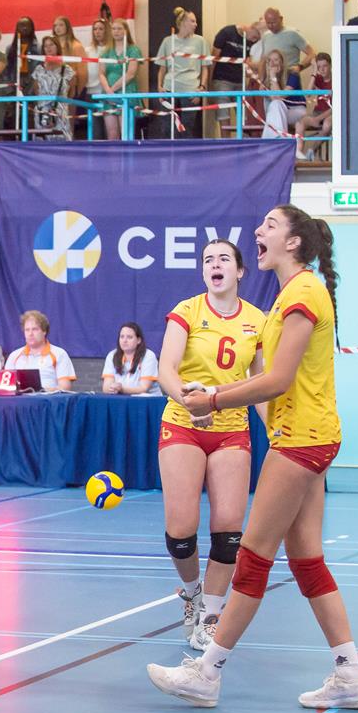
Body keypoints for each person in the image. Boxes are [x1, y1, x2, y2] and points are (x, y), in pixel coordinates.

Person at [149, 204, 358, 712]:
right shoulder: (289, 295)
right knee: (307, 560)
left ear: (293, 242)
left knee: (251, 558)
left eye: (270, 225)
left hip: (300, 439)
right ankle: (351, 674)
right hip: (307, 435)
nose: (259, 230)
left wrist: (212, 399)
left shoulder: (302, 293)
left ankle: (206, 673)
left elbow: (276, 380)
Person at [156, 239, 266, 650]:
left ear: (239, 271)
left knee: (229, 533)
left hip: (232, 429)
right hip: (184, 423)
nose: (214, 265)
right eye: (207, 260)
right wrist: (189, 401)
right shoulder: (187, 311)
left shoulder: (257, 320)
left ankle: (211, 617)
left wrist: (277, 429)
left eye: (223, 259)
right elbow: (166, 370)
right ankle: (192, 593)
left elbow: (261, 383)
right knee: (181, 530)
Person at [155, 8, 210, 139]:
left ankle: (186, 152)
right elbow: (162, 68)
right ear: (183, 22)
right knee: (167, 127)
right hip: (170, 88)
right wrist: (160, 87)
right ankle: (169, 151)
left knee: (188, 127)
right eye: (192, 21)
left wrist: (202, 88)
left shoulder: (201, 41)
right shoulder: (168, 41)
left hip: (191, 89)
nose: (196, 24)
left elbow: (205, 68)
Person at [4, 310, 75, 390]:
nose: (30, 334)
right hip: (20, 398)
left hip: (48, 397)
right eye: (27, 330)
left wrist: (42, 391)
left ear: (44, 331)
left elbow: (65, 387)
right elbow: (6, 387)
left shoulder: (59, 354)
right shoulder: (14, 356)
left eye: (35, 329)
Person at [209, 22, 250, 137]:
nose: (254, 39)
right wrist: (209, 86)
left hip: (240, 82)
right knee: (223, 116)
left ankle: (244, 144)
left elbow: (249, 64)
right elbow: (213, 59)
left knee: (245, 117)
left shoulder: (252, 41)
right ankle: (226, 144)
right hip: (222, 80)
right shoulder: (226, 33)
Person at [32, 36, 75, 140]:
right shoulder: (38, 69)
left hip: (61, 112)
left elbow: (71, 93)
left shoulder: (67, 70)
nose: (48, 48)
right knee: (42, 141)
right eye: (45, 46)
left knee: (61, 141)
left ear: (57, 47)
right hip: (42, 112)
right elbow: (36, 90)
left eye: (51, 45)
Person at [101, 322, 161, 395]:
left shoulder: (148, 355)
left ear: (138, 340)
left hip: (148, 399)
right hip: (122, 398)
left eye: (129, 337)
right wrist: (112, 388)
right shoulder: (112, 355)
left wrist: (121, 389)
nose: (124, 340)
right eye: (122, 337)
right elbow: (106, 387)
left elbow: (144, 388)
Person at [252, 8, 315, 74]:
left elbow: (312, 54)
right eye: (268, 23)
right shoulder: (266, 36)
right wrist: (261, 78)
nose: (271, 26)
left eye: (273, 22)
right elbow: (263, 61)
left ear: (281, 19)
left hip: (290, 77)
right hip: (271, 78)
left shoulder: (292, 33)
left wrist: (300, 67)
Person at [294, 53, 332, 161]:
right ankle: (298, 153)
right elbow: (308, 94)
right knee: (300, 123)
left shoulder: (336, 80)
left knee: (327, 125)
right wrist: (314, 72)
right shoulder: (318, 78)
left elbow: (336, 107)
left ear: (330, 66)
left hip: (331, 113)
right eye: (319, 67)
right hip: (318, 112)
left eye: (324, 66)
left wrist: (318, 119)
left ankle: (312, 149)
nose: (322, 69)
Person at [259, 50, 304, 140]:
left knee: (275, 108)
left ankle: (269, 142)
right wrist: (271, 79)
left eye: (276, 60)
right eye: (270, 60)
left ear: (282, 62)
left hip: (297, 110)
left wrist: (273, 76)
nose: (272, 63)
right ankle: (278, 140)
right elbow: (275, 99)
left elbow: (279, 96)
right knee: (275, 106)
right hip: (281, 110)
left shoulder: (293, 75)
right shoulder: (269, 79)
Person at [5, 17, 42, 102]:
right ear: (17, 28)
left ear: (32, 28)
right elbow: (7, 71)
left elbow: (41, 71)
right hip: (14, 87)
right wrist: (9, 90)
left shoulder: (39, 48)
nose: (24, 28)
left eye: (27, 25)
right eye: (22, 25)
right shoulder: (10, 49)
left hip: (32, 87)